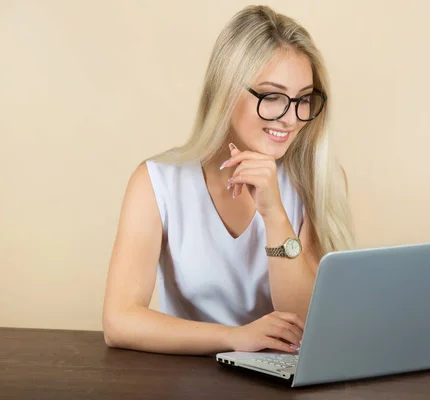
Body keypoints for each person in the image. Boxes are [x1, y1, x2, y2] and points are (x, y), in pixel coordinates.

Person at [102, 5, 354, 356]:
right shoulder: (157, 183)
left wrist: (275, 214)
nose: (290, 119)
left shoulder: (317, 181)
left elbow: (305, 323)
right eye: (273, 97)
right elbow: (119, 321)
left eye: (302, 100)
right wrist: (234, 338)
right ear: (227, 91)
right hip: (188, 381)